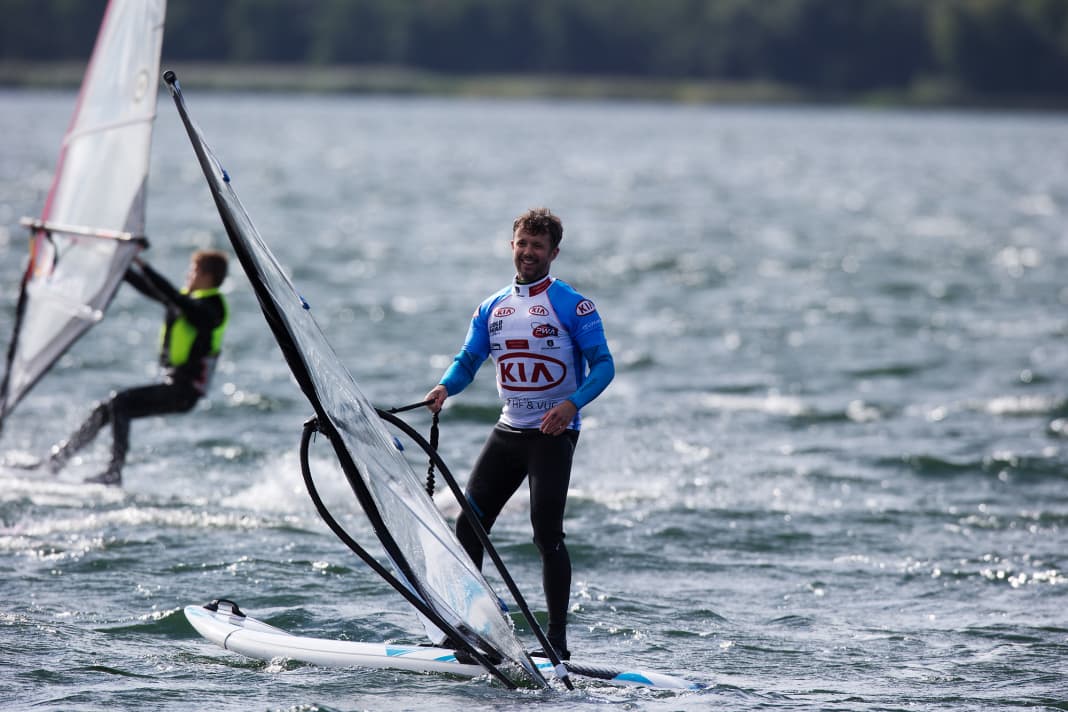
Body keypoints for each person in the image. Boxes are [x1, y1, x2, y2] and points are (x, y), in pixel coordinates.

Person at [424, 207, 614, 660]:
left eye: (538, 246)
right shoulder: (492, 307)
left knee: (546, 534)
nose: (528, 253)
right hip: (509, 430)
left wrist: (570, 405)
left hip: (553, 436)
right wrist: (444, 387)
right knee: (469, 523)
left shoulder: (572, 304)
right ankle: (469, 627)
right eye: (522, 244)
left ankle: (558, 643)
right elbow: (469, 360)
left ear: (554, 252)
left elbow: (604, 365)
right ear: (512, 245)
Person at [47, 249, 230, 485]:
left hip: (186, 391)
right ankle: (57, 461)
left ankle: (114, 472)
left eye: (193, 271)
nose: (188, 275)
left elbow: (173, 296)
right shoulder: (186, 301)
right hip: (173, 385)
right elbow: (152, 289)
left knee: (120, 404)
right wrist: (121, 266)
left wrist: (144, 265)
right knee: (106, 409)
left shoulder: (213, 308)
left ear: (207, 276)